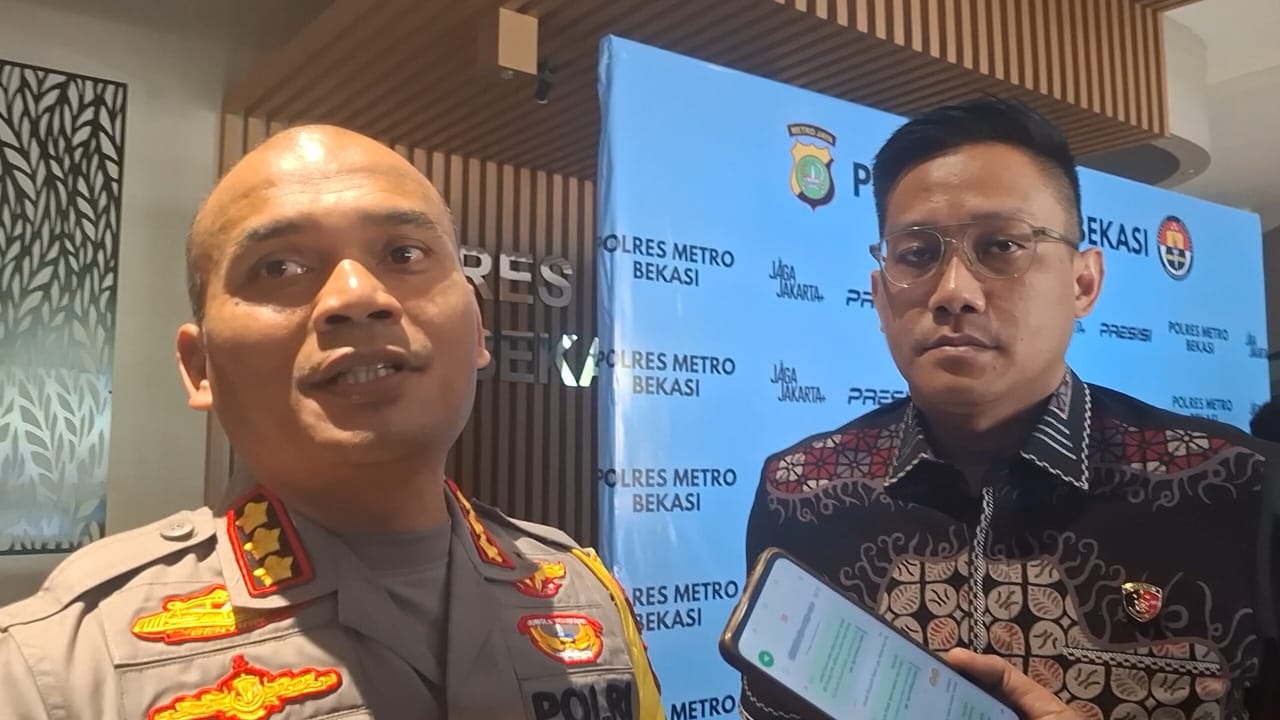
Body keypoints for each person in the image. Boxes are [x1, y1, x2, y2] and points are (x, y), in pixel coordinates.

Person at [0, 125, 663, 719]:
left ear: (479, 331)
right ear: (201, 368)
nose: (356, 296)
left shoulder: (587, 596)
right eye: (280, 267)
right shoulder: (56, 667)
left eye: (404, 254)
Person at [741, 98, 1279, 719]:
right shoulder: (800, 492)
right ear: (881, 297)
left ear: (1083, 282)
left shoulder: (1241, 490)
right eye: (917, 254)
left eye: (1001, 246)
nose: (954, 293)